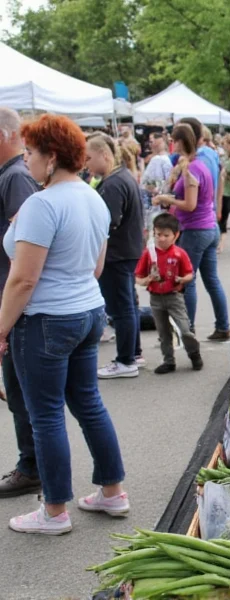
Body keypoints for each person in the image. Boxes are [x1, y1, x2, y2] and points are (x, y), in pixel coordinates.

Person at [1, 114, 128, 534]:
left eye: (32, 153)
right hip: (87, 310)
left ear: (51, 157)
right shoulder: (91, 196)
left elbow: (23, 278)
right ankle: (112, 490)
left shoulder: (43, 204)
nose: (27, 159)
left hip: (46, 320)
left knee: (46, 415)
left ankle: (54, 510)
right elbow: (96, 266)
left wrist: (1, 329)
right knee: (88, 403)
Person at [154, 124, 230, 342]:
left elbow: (189, 204)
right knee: (211, 279)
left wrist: (166, 199)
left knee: (187, 281)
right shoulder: (200, 164)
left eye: (173, 141)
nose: (172, 145)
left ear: (179, 142)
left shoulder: (192, 169)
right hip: (208, 227)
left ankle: (187, 330)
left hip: (196, 229)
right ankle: (222, 326)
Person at [0, 108, 40, 498]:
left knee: (21, 392)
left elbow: (24, 256)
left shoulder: (15, 178)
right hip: (12, 299)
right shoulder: (12, 176)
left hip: (17, 304)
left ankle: (32, 466)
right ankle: (32, 464)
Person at [85, 133, 145, 380]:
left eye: (89, 158)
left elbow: (108, 222)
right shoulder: (121, 178)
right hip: (126, 252)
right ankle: (133, 353)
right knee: (128, 305)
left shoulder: (113, 183)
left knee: (122, 308)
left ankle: (126, 359)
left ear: (105, 155)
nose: (86, 163)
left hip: (117, 255)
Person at [136, 212, 203, 374]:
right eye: (158, 234)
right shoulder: (149, 254)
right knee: (163, 332)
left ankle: (194, 353)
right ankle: (168, 360)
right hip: (156, 298)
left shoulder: (179, 253)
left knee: (185, 328)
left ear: (176, 235)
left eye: (166, 235)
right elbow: (138, 277)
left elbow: (190, 274)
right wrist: (147, 280)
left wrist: (182, 279)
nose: (162, 239)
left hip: (174, 296)